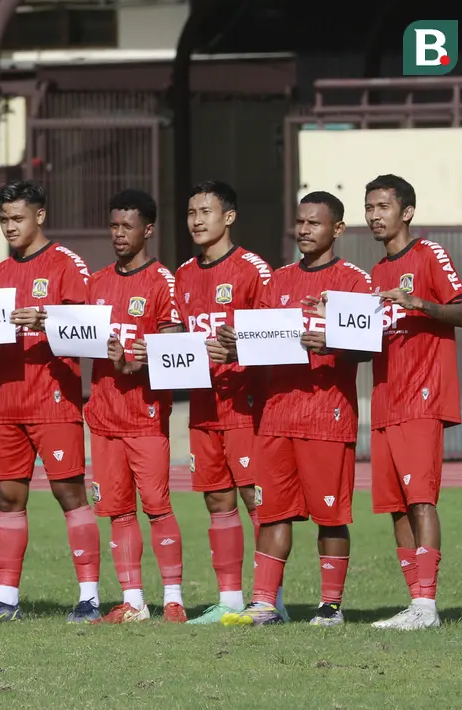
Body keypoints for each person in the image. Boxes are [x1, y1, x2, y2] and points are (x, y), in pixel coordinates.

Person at [0, 180, 103, 623]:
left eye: (17, 218)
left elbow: (90, 333)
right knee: (8, 498)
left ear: (40, 216)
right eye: (4, 219)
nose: (9, 227)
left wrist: (47, 320)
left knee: (69, 492)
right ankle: (6, 600)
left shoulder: (68, 264)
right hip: (7, 402)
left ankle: (89, 598)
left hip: (53, 399)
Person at [221, 191, 372, 627]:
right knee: (273, 512)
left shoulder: (354, 281)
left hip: (328, 416)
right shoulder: (278, 280)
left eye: (314, 223)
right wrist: (238, 343)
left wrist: (332, 343)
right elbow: (262, 340)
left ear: (337, 229)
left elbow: (368, 349)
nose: (304, 230)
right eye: (300, 223)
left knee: (331, 516)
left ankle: (330, 607)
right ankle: (266, 603)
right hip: (277, 415)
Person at [364, 175, 462, 630]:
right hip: (386, 399)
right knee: (396, 506)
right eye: (369, 207)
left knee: (421, 500)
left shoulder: (429, 254)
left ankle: (427, 607)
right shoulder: (374, 272)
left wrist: (418, 303)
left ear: (406, 212)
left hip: (421, 397)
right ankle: (416, 604)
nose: (374, 215)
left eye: (383, 206)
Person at [84, 189, 187, 624]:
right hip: (104, 415)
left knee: (156, 505)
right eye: (113, 225)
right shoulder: (98, 281)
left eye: (127, 226)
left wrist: (138, 358)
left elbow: (175, 344)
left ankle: (174, 599)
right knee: (117, 510)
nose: (118, 234)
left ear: (147, 229)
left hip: (145, 415)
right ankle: (134, 600)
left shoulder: (162, 280)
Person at [174, 181, 272, 624]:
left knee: (257, 499)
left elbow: (277, 337)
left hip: (246, 404)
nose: (196, 220)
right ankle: (230, 599)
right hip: (203, 406)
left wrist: (239, 351)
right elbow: (176, 333)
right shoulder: (183, 273)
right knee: (217, 501)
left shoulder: (254, 270)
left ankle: (271, 600)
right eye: (191, 212)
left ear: (228, 217)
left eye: (206, 211)